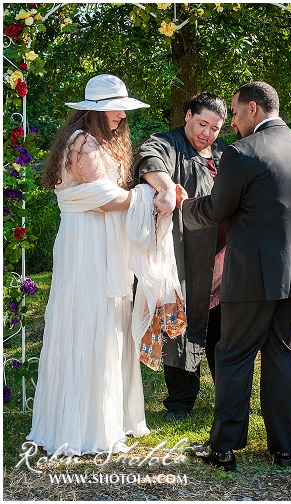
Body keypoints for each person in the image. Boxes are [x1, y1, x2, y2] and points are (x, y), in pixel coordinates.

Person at [175, 81, 291, 470]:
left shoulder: (242, 153)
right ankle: (284, 449)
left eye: (235, 113)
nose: (232, 125)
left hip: (254, 276)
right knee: (283, 356)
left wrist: (183, 206)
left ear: (251, 108)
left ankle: (224, 448)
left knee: (234, 356)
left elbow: (215, 210)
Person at [27, 74, 151, 455]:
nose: (121, 117)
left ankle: (107, 413)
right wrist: (148, 194)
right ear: (96, 111)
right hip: (88, 243)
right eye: (116, 109)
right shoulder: (84, 142)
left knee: (104, 318)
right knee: (89, 318)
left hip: (97, 240)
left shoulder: (96, 141)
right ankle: (86, 423)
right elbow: (104, 198)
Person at [133, 91, 229, 422]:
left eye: (215, 128)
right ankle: (180, 401)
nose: (207, 133)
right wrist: (165, 187)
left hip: (221, 258)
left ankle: (227, 398)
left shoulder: (224, 153)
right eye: (202, 123)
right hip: (182, 254)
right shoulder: (168, 142)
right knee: (178, 324)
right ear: (188, 115)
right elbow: (151, 162)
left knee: (220, 330)